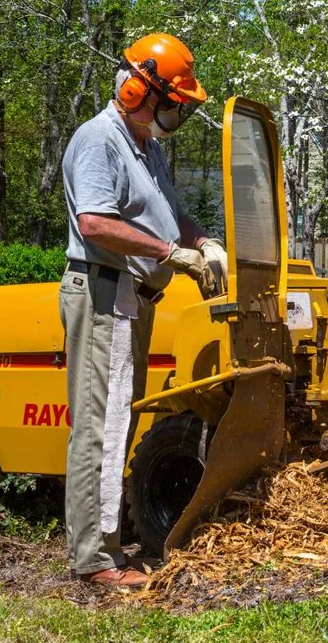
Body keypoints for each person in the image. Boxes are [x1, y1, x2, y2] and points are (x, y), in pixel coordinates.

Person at [59, 33, 228, 588]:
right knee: (100, 426)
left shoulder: (147, 149)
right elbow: (95, 222)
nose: (176, 114)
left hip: (131, 297)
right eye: (172, 102)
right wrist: (169, 253)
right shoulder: (99, 140)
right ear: (138, 91)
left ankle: (105, 544)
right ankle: (94, 559)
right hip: (105, 291)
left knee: (118, 420)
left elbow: (172, 217)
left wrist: (202, 243)